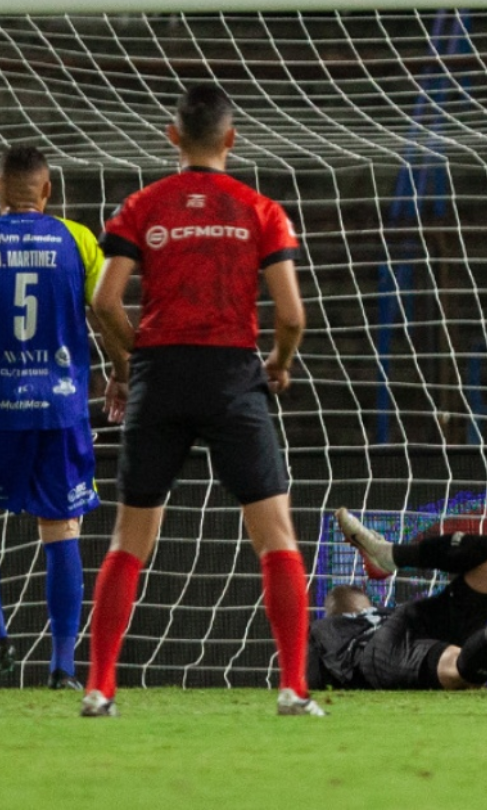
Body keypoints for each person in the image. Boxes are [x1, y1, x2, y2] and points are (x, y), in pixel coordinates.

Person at [82, 83, 323, 717]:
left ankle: (99, 688)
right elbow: (291, 314)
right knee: (275, 535)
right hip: (231, 377)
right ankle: (294, 688)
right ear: (231, 139)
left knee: (128, 539)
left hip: (160, 376)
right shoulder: (259, 209)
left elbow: (104, 302)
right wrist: (280, 361)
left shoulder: (142, 204)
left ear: (172, 136)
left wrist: (136, 360)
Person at [0, 145, 118, 690]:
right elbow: (107, 307)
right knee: (61, 528)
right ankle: (63, 667)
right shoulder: (78, 239)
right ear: (47, 192)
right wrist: (124, 369)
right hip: (61, 407)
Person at [309, 507, 487, 691]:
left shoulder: (325, 630)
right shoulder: (385, 613)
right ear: (367, 605)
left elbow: (307, 678)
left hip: (378, 653)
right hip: (415, 619)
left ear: (335, 612)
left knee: (458, 672)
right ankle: (393, 555)